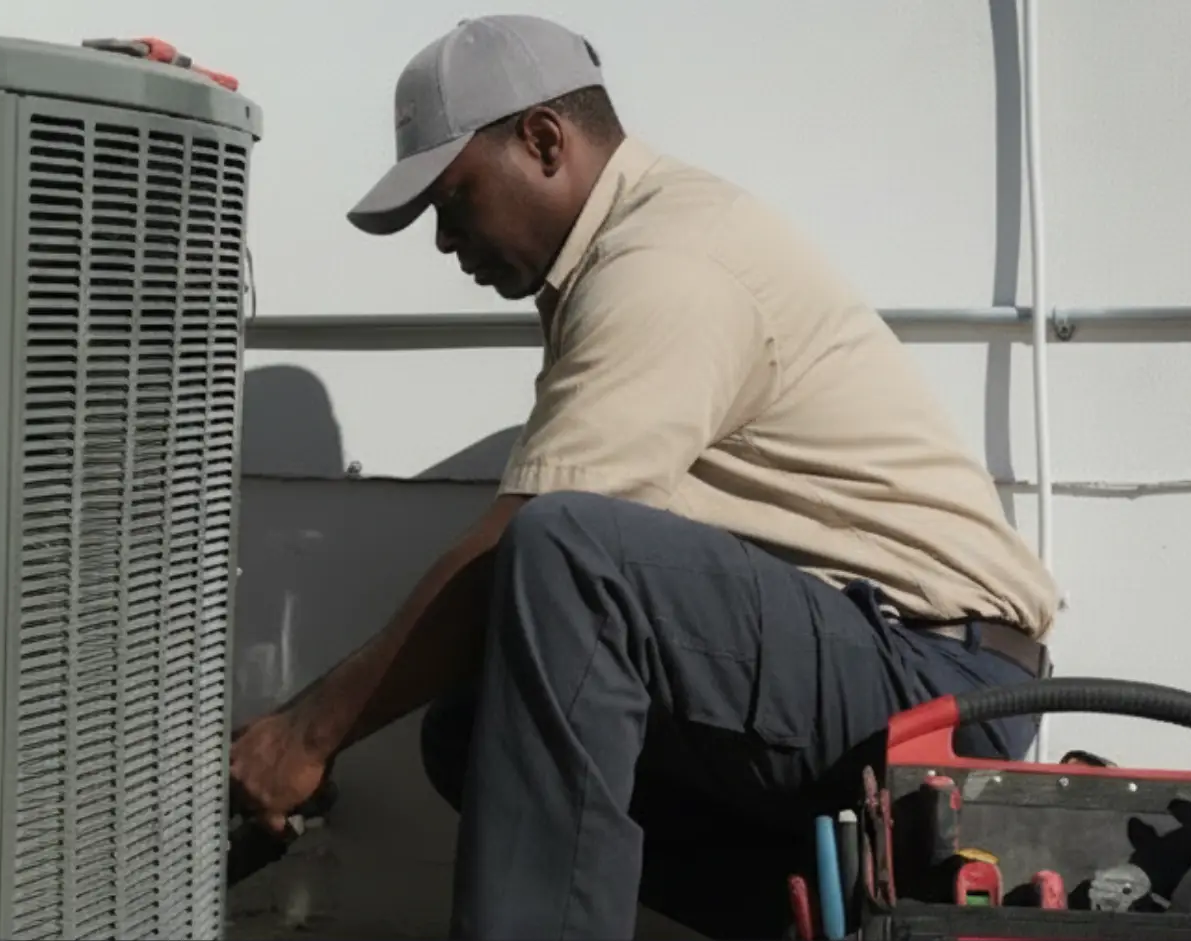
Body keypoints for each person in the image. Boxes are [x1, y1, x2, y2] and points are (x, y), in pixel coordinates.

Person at [227, 13, 1060, 940]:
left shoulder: (664, 262)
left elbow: (527, 544)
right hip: (878, 664)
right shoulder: (627, 254)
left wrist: (306, 735)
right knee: (472, 725)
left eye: (452, 200)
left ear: (543, 141)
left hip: (939, 685)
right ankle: (827, 925)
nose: (442, 242)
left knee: (564, 547)